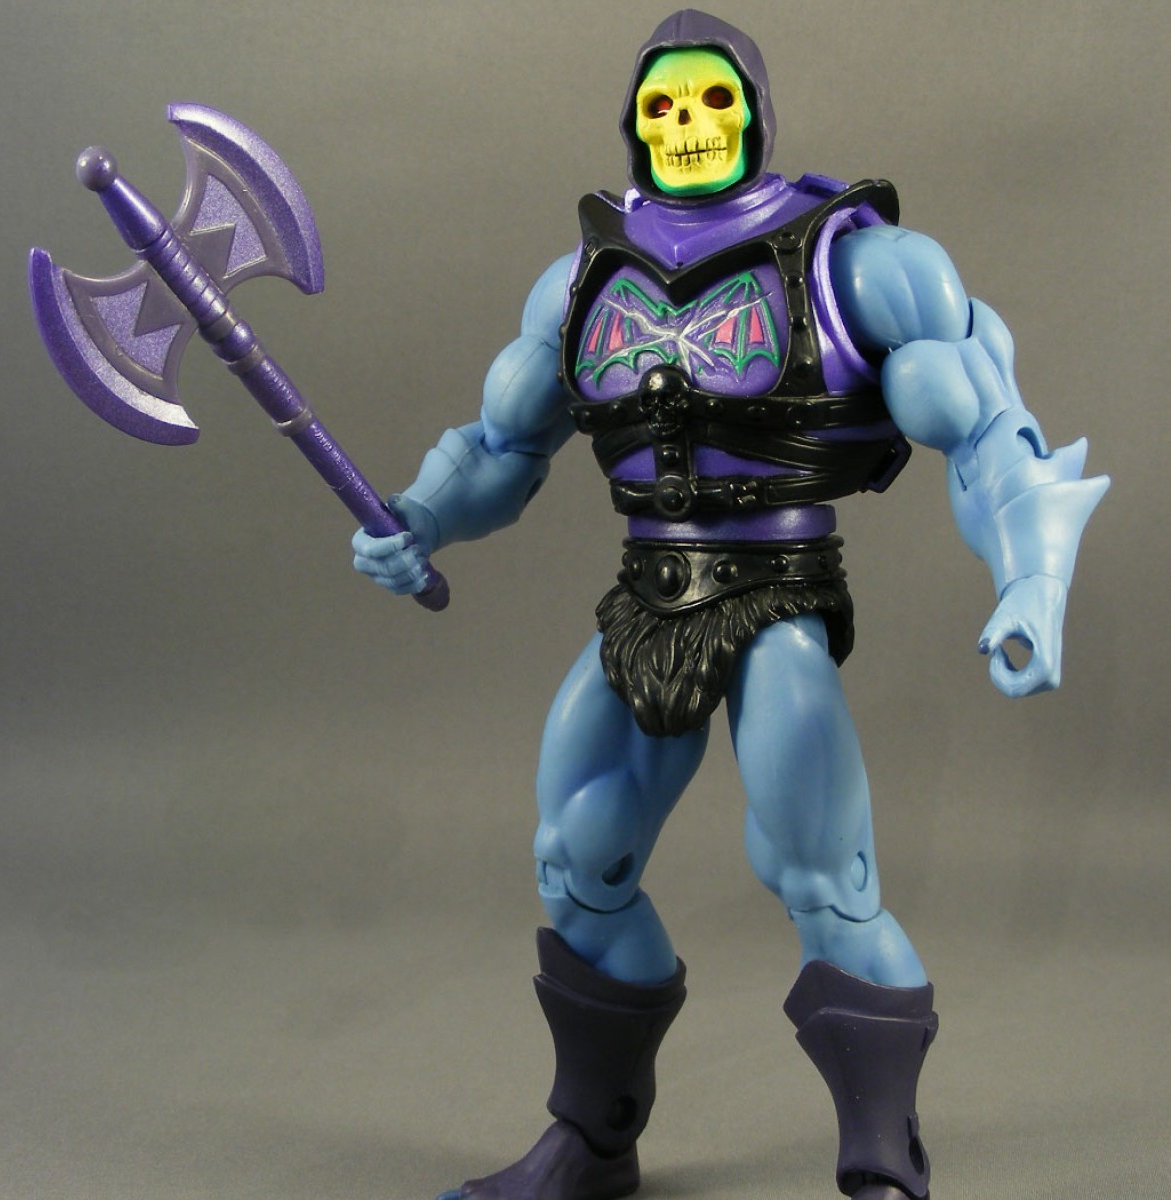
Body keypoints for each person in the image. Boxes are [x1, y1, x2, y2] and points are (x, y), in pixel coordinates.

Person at [352, 11, 1108, 1200]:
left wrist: (1032, 579)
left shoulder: (857, 264)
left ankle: (883, 1164)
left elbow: (984, 426)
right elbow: (501, 447)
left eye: (712, 98)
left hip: (777, 596)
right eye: (663, 106)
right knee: (575, 857)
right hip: (644, 594)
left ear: (753, 110)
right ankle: (594, 1139)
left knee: (821, 877)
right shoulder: (582, 281)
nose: (688, 124)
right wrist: (419, 518)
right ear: (634, 124)